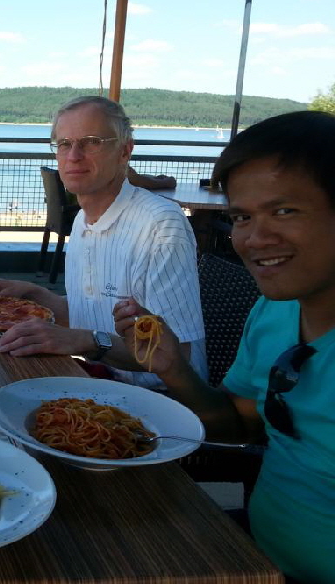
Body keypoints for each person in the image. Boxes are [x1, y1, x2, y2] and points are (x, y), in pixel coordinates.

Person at [113, 110, 335, 583]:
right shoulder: (275, 312)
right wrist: (176, 371)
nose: (255, 238)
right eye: (241, 216)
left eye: (285, 211)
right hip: (252, 550)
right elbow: (237, 425)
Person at [0, 96, 206, 388]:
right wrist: (33, 296)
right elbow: (91, 315)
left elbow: (177, 355)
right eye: (64, 144)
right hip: (97, 381)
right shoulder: (81, 220)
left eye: (91, 141)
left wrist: (84, 342)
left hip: (159, 400)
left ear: (125, 151)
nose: (73, 156)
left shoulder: (160, 225)